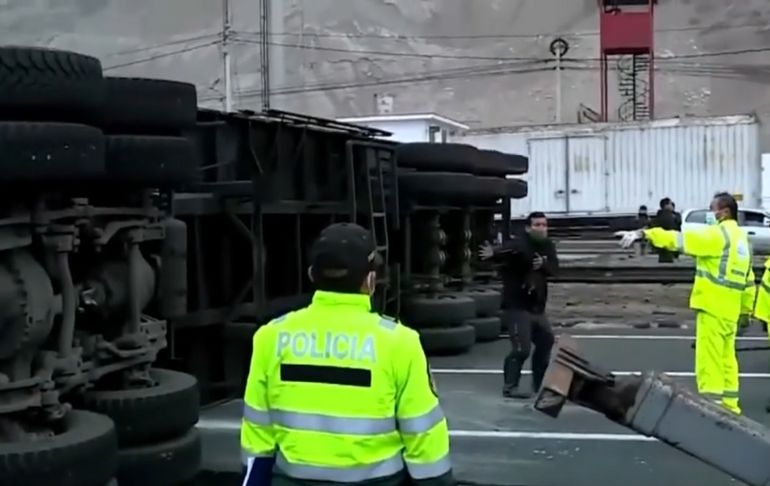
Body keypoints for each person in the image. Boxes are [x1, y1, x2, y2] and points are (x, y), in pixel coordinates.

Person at [240, 223, 454, 486]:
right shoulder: (401, 342)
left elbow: (257, 435)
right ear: (371, 280)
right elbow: (424, 436)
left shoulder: (270, 338)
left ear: (311, 275)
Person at [616, 192, 754, 414]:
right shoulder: (742, 241)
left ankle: (713, 408)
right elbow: (748, 281)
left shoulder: (718, 236)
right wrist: (745, 312)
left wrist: (645, 233)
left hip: (712, 306)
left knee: (709, 361)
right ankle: (730, 406)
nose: (711, 214)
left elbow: (678, 240)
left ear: (724, 212)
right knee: (728, 360)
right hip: (731, 310)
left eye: (713, 209)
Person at [478, 211, 558, 399]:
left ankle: (539, 384)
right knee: (522, 349)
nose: (542, 229)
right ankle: (510, 386)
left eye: (544, 225)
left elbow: (555, 269)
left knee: (546, 342)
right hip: (517, 307)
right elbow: (509, 250)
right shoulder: (521, 243)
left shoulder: (548, 246)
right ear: (528, 228)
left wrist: (543, 265)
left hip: (537, 307)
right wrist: (492, 253)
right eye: (537, 225)